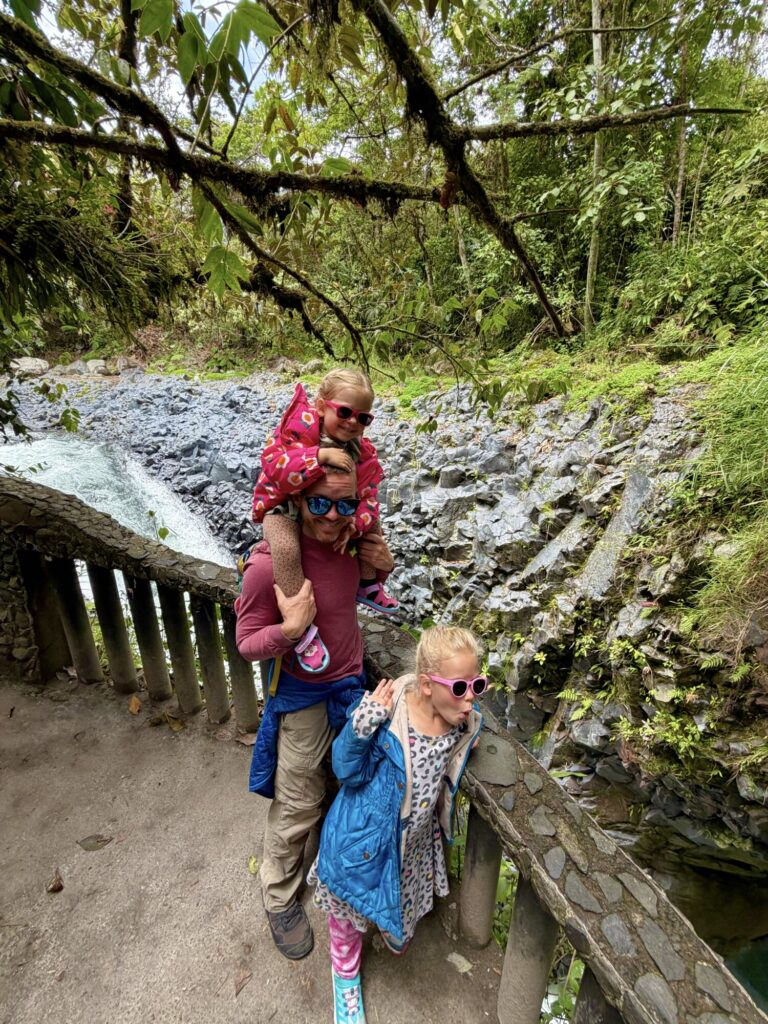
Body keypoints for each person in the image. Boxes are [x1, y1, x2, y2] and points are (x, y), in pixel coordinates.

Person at [235, 466, 395, 962]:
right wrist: (290, 629)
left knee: (344, 787)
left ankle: (328, 866)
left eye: (345, 505)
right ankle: (278, 897)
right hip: (303, 703)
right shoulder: (268, 569)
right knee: (298, 803)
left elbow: (363, 595)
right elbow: (245, 644)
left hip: (350, 691)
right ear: (299, 500)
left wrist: (382, 567)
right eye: (320, 503)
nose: (332, 516)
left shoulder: (348, 553)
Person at [308, 626, 485, 1024]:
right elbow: (345, 770)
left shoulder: (460, 719)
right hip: (363, 840)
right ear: (426, 685)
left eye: (478, 683)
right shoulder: (388, 717)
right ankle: (345, 979)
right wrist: (360, 727)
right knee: (346, 922)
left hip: (412, 842)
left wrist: (467, 715)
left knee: (401, 892)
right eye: (460, 687)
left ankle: (389, 921)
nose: (470, 697)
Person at [251, 368, 398, 674]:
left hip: (348, 670)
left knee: (373, 521)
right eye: (344, 412)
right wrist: (318, 456)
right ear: (320, 406)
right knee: (287, 549)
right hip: (280, 504)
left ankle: (368, 584)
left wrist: (357, 525)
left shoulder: (359, 449)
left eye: (363, 418)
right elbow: (273, 463)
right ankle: (302, 627)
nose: (353, 422)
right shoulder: (300, 430)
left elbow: (368, 492)